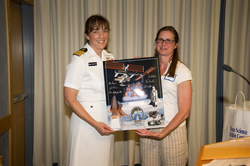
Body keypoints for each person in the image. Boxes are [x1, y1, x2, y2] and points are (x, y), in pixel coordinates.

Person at [136, 26, 192, 166]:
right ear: (156, 42)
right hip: (148, 128)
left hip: (172, 131)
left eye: (168, 40)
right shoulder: (147, 68)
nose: (163, 44)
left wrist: (164, 132)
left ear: (175, 44)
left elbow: (184, 112)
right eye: (160, 40)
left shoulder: (182, 71)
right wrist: (133, 72)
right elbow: (138, 96)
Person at [64, 15, 115, 166]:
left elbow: (116, 89)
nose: (101, 36)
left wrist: (140, 69)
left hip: (106, 121)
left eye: (105, 30)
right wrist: (94, 123)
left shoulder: (110, 57)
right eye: (95, 31)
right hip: (86, 123)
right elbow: (69, 99)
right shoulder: (80, 59)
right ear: (87, 35)